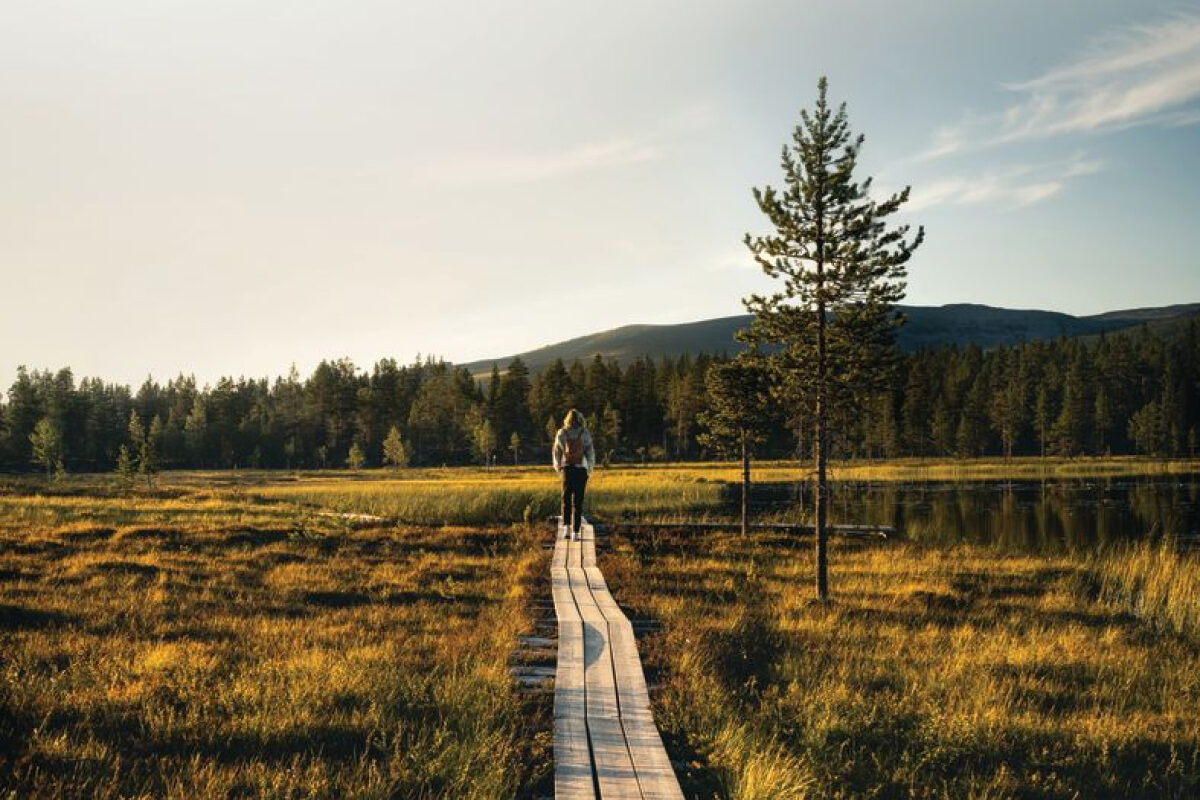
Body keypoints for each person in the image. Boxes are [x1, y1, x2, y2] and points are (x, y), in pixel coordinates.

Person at [552, 408, 596, 540]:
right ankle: (576, 533)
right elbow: (590, 453)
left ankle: (566, 528)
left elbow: (557, 451)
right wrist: (589, 468)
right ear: (580, 419)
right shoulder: (585, 433)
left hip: (567, 469)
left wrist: (558, 466)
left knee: (566, 499)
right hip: (580, 469)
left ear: (567, 419)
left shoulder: (562, 433)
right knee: (578, 501)